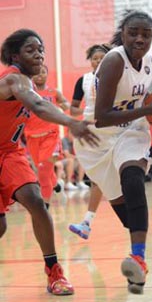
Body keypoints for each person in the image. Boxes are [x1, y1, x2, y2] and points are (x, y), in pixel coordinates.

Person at [73, 11, 152, 294]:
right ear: (123, 33)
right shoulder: (113, 61)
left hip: (131, 131)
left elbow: (142, 100)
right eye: (133, 32)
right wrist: (149, 109)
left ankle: (138, 259)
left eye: (146, 34)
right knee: (129, 220)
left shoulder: (149, 63)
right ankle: (137, 254)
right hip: (97, 139)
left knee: (133, 179)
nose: (140, 39)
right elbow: (102, 117)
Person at [0, 29, 99, 296]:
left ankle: (54, 271)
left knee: (35, 199)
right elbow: (38, 106)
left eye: (41, 49)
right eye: (31, 49)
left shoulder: (29, 83)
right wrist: (72, 123)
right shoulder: (12, 79)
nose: (39, 54)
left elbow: (44, 105)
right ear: (14, 56)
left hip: (9, 151)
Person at [69, 44, 112, 239]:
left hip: (112, 129)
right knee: (97, 177)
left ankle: (88, 221)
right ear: (90, 60)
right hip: (91, 132)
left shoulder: (115, 78)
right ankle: (87, 221)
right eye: (95, 58)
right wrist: (87, 111)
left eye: (102, 58)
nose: (98, 61)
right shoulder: (83, 81)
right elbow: (73, 110)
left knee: (114, 175)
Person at [24, 64, 70, 208]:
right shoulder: (27, 93)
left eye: (43, 72)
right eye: (36, 72)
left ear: (46, 74)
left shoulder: (54, 92)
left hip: (50, 136)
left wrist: (64, 105)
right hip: (32, 137)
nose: (39, 74)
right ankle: (57, 186)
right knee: (43, 169)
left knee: (43, 173)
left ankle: (45, 207)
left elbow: (66, 104)